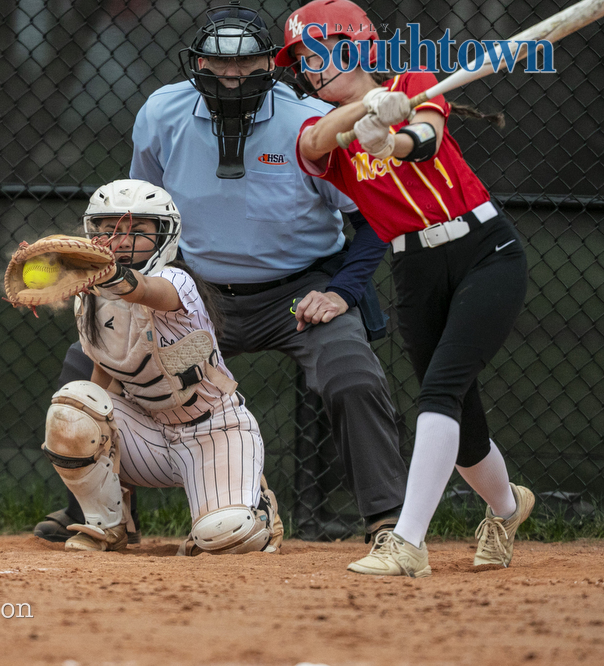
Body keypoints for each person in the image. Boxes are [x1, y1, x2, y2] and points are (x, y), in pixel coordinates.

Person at [36, 2, 409, 561]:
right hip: (197, 297)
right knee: (86, 361)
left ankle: (388, 519)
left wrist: (341, 291)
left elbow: (376, 221)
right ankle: (102, 510)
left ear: (272, 63)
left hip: (298, 294)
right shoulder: (163, 112)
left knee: (350, 373)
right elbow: (142, 213)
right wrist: (115, 276)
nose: (231, 77)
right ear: (197, 64)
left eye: (248, 64)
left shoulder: (308, 119)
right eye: (217, 65)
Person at [277, 0, 535, 577]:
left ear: (359, 46)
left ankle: (406, 543)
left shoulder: (414, 82)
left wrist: (388, 139)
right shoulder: (312, 120)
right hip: (413, 271)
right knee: (463, 426)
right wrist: (365, 110)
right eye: (304, 59)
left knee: (439, 392)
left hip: (484, 252)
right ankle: (508, 508)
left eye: (325, 51)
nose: (314, 68)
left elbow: (427, 137)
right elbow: (317, 142)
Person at [42, 178, 283, 555]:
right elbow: (104, 379)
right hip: (149, 434)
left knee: (223, 537)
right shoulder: (90, 300)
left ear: (164, 235)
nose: (121, 241)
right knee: (74, 405)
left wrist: (110, 276)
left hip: (213, 432)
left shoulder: (176, 280)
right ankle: (108, 525)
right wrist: (93, 433)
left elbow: (144, 291)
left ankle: (259, 508)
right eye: (110, 231)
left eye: (137, 230)